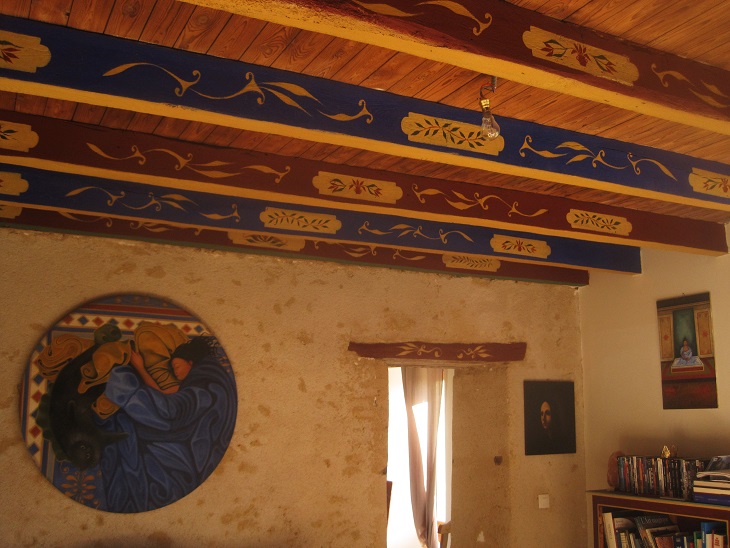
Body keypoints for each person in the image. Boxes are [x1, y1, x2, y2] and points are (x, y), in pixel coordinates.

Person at [98, 335, 237, 513]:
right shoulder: (197, 383)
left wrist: (123, 384)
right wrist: (140, 367)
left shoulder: (206, 386)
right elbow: (161, 394)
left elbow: (170, 412)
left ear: (190, 363)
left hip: (196, 454)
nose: (175, 373)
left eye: (176, 366)